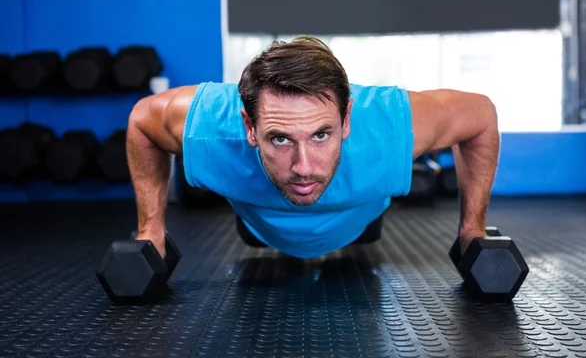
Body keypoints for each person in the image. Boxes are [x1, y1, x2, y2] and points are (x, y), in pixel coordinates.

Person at [127, 36, 499, 260]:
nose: (303, 167)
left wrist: (473, 230)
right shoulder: (211, 131)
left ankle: (363, 217)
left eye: (321, 135)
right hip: (260, 227)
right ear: (249, 127)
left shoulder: (391, 129)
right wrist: (151, 231)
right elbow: (142, 119)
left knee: (367, 224)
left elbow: (481, 114)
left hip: (358, 220)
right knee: (254, 223)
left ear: (347, 120)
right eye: (280, 138)